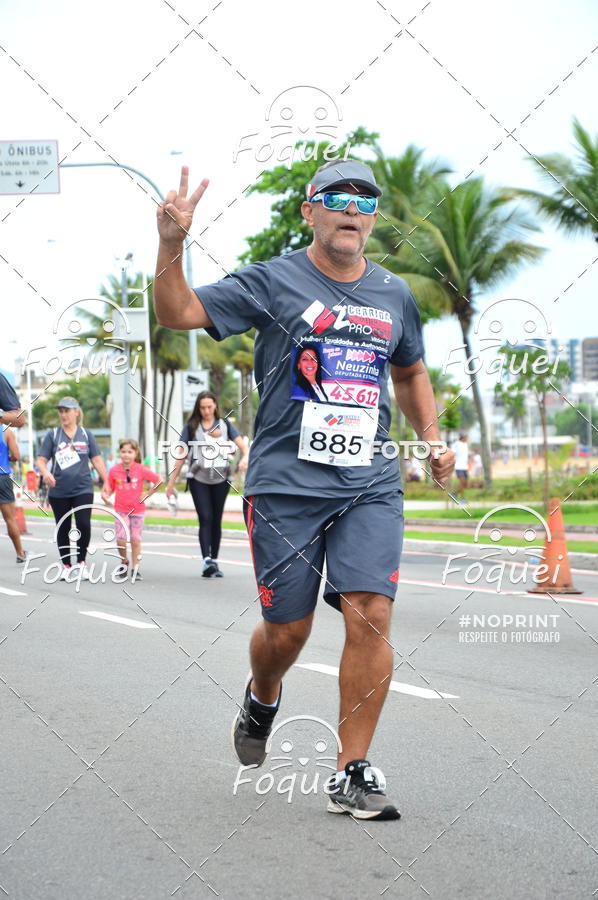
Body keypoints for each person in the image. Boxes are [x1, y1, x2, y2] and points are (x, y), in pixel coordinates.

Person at [154, 160, 455, 820]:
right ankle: (263, 691)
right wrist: (172, 242)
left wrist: (432, 437)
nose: (354, 208)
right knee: (286, 633)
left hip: (370, 481)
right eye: (338, 197)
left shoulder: (392, 293)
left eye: (366, 200)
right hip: (286, 485)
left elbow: (409, 372)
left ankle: (354, 770)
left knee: (371, 611)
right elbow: (177, 311)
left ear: (373, 218)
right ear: (310, 212)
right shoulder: (273, 281)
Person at [166, 391, 248, 577]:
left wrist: (245, 458)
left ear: (215, 406)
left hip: (221, 478)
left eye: (209, 407)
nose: (206, 411)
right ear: (198, 408)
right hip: (198, 478)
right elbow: (180, 455)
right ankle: (206, 561)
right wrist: (170, 484)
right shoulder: (191, 427)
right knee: (205, 517)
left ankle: (215, 560)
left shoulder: (226, 425)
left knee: (216, 519)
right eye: (202, 407)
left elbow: (243, 446)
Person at [37, 397, 107, 581]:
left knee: (83, 524)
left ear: (76, 412)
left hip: (83, 488)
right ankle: (66, 565)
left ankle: (81, 563)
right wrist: (45, 473)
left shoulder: (86, 434)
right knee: (64, 527)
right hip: (59, 491)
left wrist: (107, 481)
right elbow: (41, 460)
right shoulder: (53, 435)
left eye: (67, 411)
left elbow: (97, 459)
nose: (63, 414)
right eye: (60, 411)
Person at [101, 438, 161, 581]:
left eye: (130, 452)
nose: (126, 455)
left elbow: (159, 480)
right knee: (121, 539)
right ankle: (124, 562)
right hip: (121, 510)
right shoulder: (114, 470)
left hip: (138, 510)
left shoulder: (140, 469)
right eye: (123, 452)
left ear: (135, 453)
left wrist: (147, 493)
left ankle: (136, 568)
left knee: (135, 540)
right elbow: (109, 489)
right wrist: (105, 496)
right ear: (119, 453)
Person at [0, 424, 27, 563]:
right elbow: (16, 455)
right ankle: (20, 553)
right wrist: (7, 459)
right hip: (2, 477)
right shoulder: (7, 432)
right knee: (10, 519)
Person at [452, 433, 469, 502]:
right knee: (462, 482)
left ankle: (454, 494)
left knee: (465, 484)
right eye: (466, 437)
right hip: (458, 466)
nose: (467, 439)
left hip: (465, 467)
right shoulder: (456, 444)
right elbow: (452, 454)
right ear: (462, 437)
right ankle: (462, 498)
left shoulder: (465, 444)